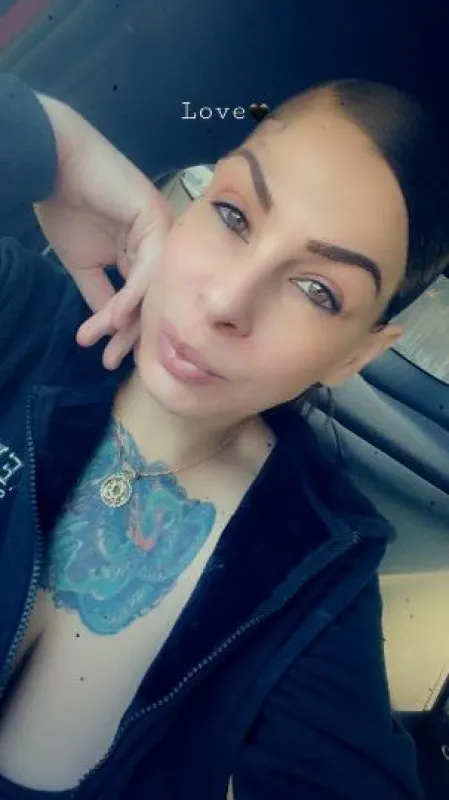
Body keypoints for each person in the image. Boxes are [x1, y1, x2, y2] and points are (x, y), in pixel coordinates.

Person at [0, 72, 448, 800]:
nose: (225, 301)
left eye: (318, 290)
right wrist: (55, 144)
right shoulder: (17, 313)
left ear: (355, 355)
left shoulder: (313, 572)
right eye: (234, 215)